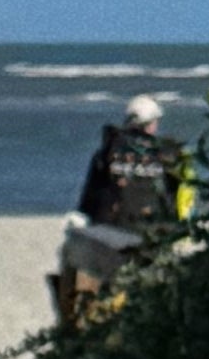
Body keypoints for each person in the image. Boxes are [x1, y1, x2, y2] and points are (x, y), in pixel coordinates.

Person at [55, 90, 186, 327]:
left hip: (111, 236)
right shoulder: (168, 155)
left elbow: (89, 201)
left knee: (77, 260)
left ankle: (80, 322)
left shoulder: (107, 152)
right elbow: (179, 199)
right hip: (156, 235)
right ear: (152, 124)